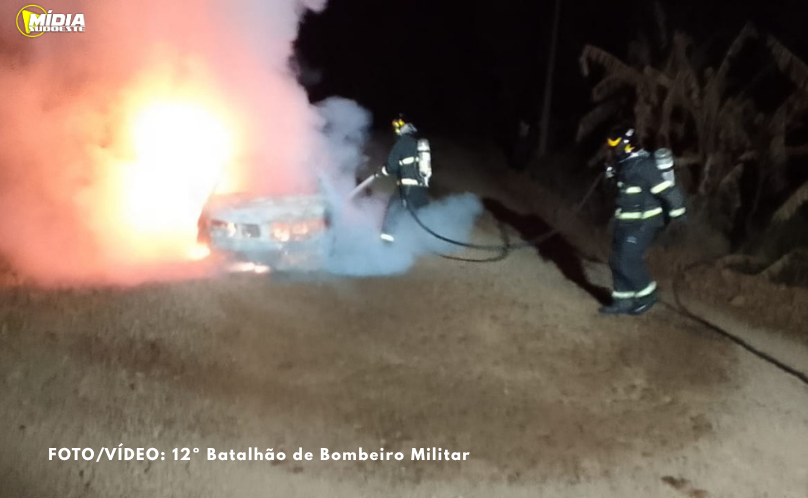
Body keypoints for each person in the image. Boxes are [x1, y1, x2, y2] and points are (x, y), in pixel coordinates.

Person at [600, 127, 687, 315]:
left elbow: (668, 190)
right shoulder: (625, 164)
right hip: (625, 221)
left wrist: (679, 213)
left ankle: (648, 295)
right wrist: (610, 172)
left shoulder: (644, 166)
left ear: (626, 144)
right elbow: (617, 191)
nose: (611, 148)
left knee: (627, 260)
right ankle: (623, 301)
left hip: (643, 223)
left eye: (614, 144)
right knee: (616, 260)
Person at [379, 116, 431, 243]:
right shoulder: (418, 145)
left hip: (406, 189)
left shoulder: (401, 144)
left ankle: (385, 244)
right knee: (420, 215)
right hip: (421, 189)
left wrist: (382, 171)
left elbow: (391, 167)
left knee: (392, 213)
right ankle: (422, 242)